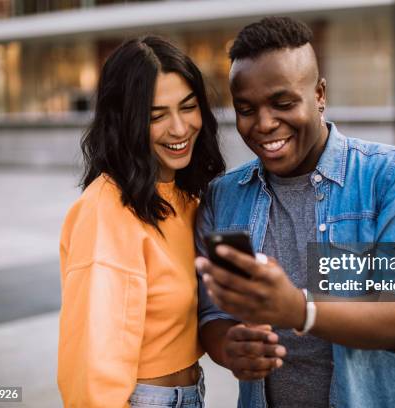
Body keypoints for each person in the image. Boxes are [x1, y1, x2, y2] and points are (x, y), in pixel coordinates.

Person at [195, 17, 395, 408]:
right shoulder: (223, 196)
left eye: (283, 103)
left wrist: (299, 309)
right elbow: (211, 315)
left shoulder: (394, 176)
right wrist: (230, 348)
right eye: (246, 109)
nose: (264, 124)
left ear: (320, 94)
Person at [57, 35, 227, 408]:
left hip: (190, 393)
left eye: (188, 107)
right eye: (156, 116)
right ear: (125, 122)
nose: (180, 129)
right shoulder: (105, 211)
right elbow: (92, 358)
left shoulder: (186, 199)